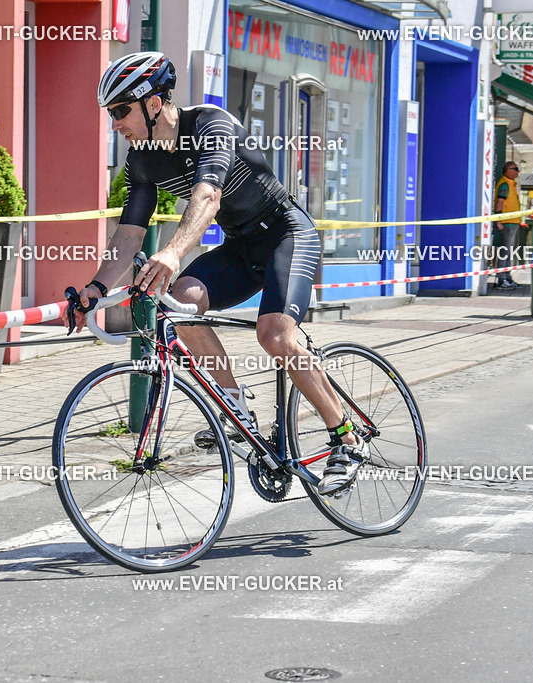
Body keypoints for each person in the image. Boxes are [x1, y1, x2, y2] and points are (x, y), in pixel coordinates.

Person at [69, 52, 361, 495]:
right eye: (110, 114)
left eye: (120, 110)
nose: (114, 123)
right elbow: (129, 233)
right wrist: (95, 286)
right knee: (183, 300)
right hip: (240, 248)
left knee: (276, 336)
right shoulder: (143, 157)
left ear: (152, 103)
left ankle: (345, 438)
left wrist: (170, 253)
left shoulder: (210, 126)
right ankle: (236, 408)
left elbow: (207, 198)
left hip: (286, 234)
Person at [493, 161, 521, 290]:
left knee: (509, 252)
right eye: (515, 169)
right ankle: (501, 279)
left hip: (512, 222)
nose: (517, 171)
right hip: (506, 222)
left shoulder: (511, 184)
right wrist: (499, 220)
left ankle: (507, 277)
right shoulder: (505, 184)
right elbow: (500, 202)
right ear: (507, 170)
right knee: (505, 251)